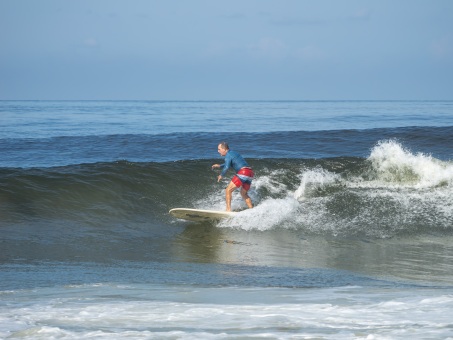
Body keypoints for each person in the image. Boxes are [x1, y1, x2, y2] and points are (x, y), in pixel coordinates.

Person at [211, 142, 254, 211]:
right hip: (250, 173)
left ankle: (228, 210)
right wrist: (219, 165)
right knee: (243, 193)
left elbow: (227, 166)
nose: (218, 151)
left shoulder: (228, 155)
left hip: (243, 172)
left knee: (228, 190)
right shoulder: (233, 153)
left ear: (224, 149)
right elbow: (229, 163)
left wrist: (221, 175)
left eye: (219, 149)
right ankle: (252, 210)